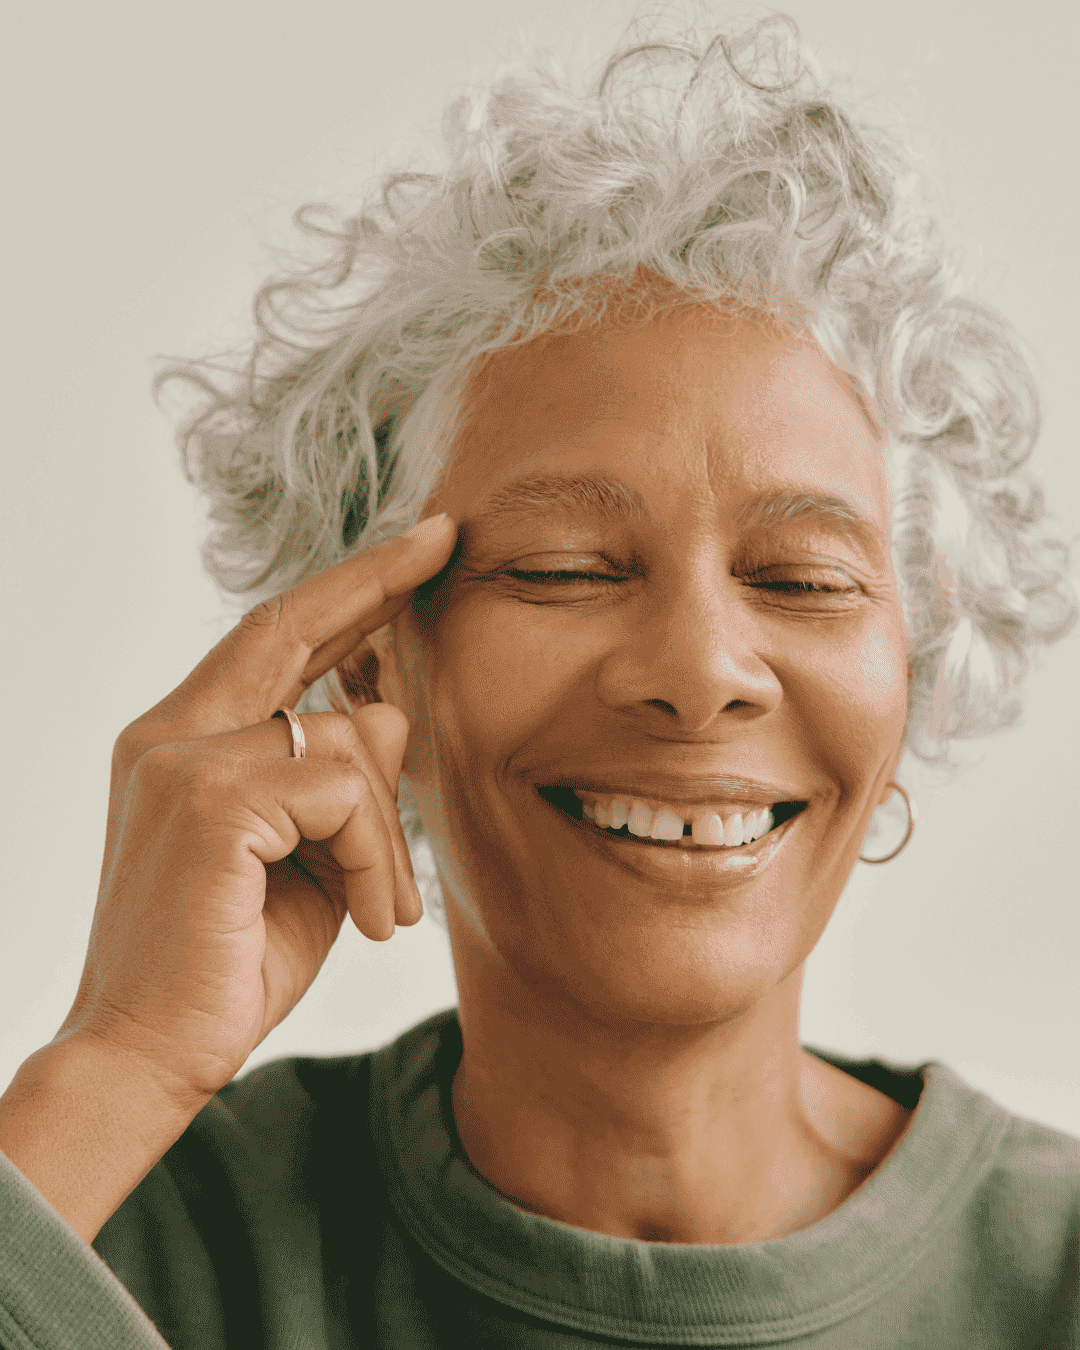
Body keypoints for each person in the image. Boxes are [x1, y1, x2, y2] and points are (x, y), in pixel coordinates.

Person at [1, 11, 1077, 1349]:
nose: (699, 673)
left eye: (801, 578)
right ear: (374, 655)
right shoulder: (111, 1237)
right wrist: (116, 1059)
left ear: (908, 668)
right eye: (566, 567)